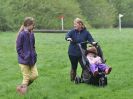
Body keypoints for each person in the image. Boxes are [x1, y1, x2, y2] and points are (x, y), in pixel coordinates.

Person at [16, 17, 38, 95]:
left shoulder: (32, 34)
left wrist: (34, 54)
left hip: (32, 60)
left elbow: (33, 46)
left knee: (35, 75)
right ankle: (22, 94)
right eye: (33, 25)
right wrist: (25, 56)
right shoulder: (21, 35)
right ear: (28, 25)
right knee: (26, 78)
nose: (33, 26)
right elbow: (18, 48)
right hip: (24, 61)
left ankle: (20, 87)